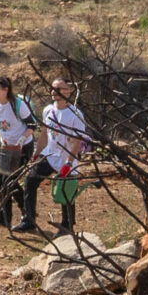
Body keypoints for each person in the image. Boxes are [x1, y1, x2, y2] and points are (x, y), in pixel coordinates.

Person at [0, 75, 42, 233]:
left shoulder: (18, 104)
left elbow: (32, 124)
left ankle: (28, 215)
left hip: (22, 148)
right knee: (1, 183)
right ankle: (4, 217)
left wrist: (22, 139)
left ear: (6, 90)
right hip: (6, 147)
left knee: (10, 182)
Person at [34, 76, 90, 238]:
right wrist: (37, 153)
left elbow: (78, 141)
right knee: (31, 181)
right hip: (50, 155)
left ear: (68, 91)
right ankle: (28, 220)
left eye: (58, 89)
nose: (54, 92)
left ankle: (67, 226)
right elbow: (44, 133)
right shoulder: (48, 110)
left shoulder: (75, 114)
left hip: (67, 158)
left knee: (66, 193)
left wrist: (69, 163)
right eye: (52, 88)